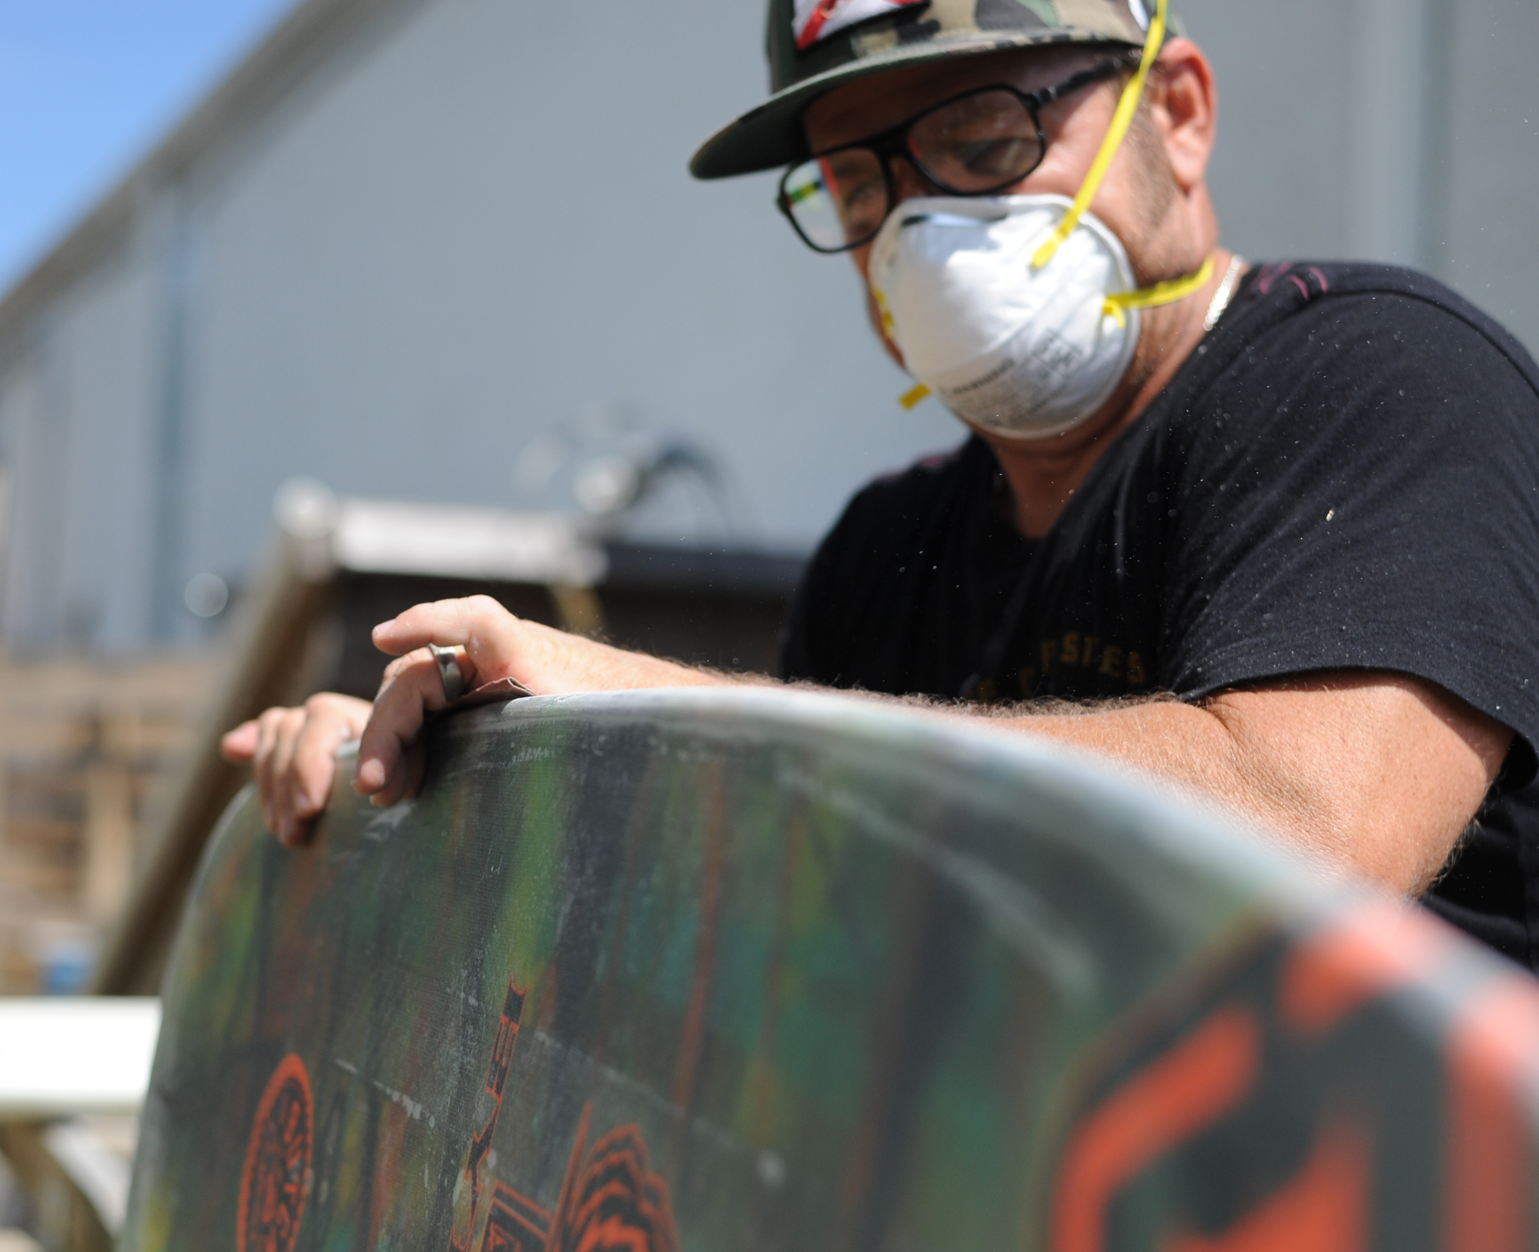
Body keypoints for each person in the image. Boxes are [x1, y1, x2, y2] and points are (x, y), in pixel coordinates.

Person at [224, 0, 1539, 966]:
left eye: (982, 135)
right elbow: (789, 954)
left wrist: (646, 704)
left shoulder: (1381, 377)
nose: (922, 233)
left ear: (1179, 115)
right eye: (858, 186)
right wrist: (431, 791)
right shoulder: (883, 550)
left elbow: (1309, 837)